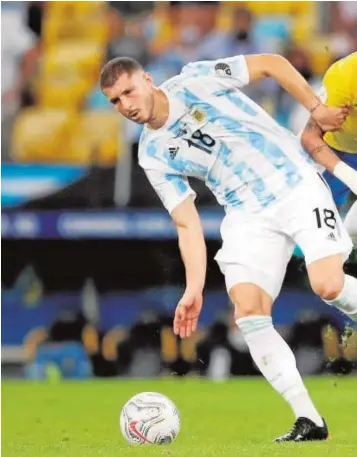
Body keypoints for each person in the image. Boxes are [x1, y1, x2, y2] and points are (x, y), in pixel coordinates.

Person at [100, 53, 356, 442]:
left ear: (148, 80)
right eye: (115, 101)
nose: (126, 106)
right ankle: (310, 420)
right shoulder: (151, 153)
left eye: (129, 92)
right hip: (246, 213)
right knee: (249, 313)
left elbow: (271, 63)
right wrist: (194, 287)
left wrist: (316, 108)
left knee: (328, 287)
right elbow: (186, 222)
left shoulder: (195, 80)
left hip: (294, 183)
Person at [301, 52, 357, 242]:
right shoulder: (345, 75)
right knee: (316, 231)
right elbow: (310, 137)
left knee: (352, 231)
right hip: (336, 153)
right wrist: (351, 177)